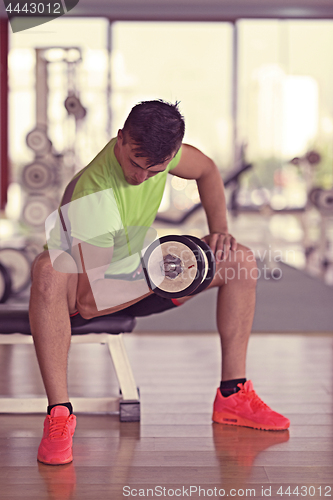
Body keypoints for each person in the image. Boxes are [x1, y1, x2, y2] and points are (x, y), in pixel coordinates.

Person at [30, 100, 290, 466]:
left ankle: (233, 395)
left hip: (137, 276)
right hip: (80, 296)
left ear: (171, 155)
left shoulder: (162, 154)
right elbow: (90, 303)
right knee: (47, 267)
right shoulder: (96, 192)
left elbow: (208, 169)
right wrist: (165, 272)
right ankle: (60, 415)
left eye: (156, 170)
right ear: (121, 139)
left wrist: (220, 233)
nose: (141, 176)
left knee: (241, 262)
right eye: (136, 164)